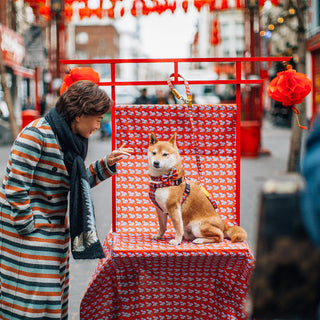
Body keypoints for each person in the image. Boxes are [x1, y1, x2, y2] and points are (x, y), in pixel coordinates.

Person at [0, 73, 133, 319]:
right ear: (79, 114)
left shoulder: (70, 141)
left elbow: (73, 183)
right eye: (97, 118)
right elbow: (15, 185)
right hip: (30, 235)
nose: (98, 125)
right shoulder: (36, 134)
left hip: (53, 233)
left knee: (52, 299)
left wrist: (106, 164)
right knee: (33, 302)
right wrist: (28, 227)